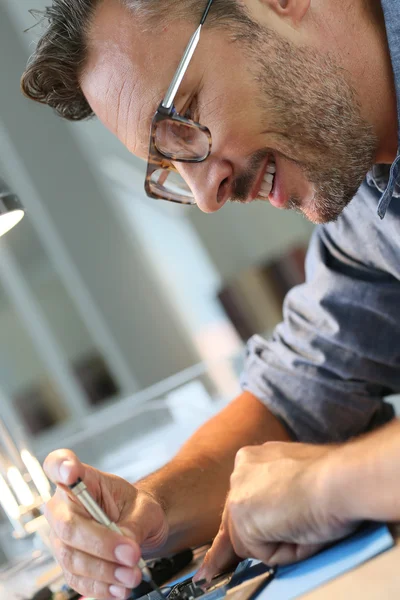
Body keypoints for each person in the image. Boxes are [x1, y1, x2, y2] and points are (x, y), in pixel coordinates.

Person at [20, 0, 400, 598]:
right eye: (167, 163)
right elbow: (304, 392)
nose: (207, 196)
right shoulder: (372, 206)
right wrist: (149, 513)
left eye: (185, 116)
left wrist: (330, 486)